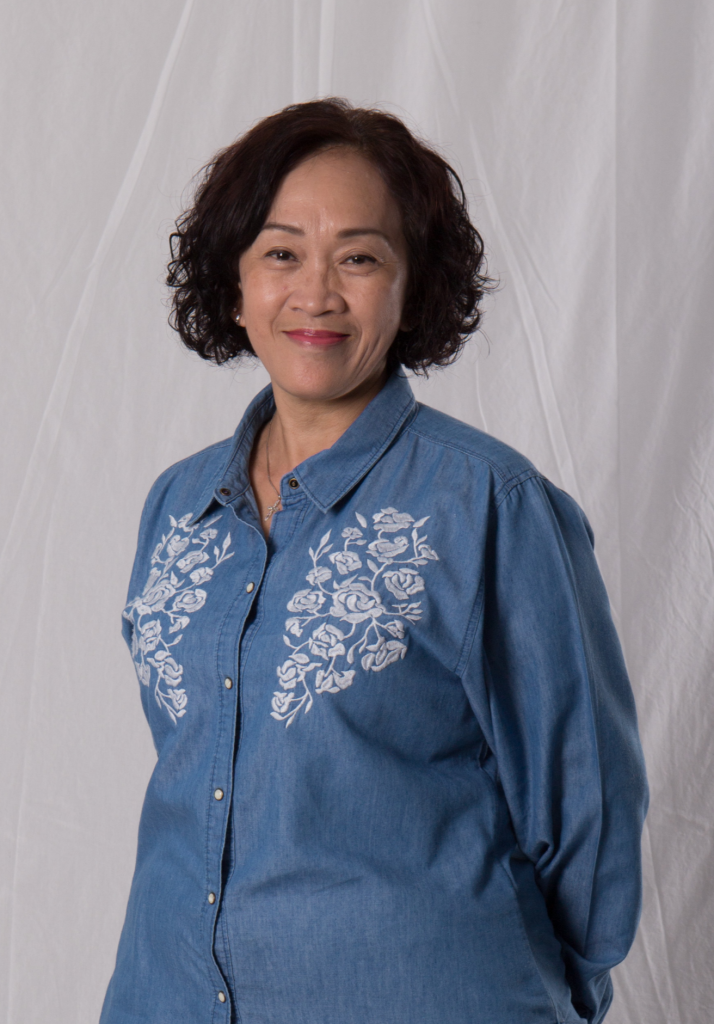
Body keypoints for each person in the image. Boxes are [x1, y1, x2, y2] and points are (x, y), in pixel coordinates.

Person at [100, 99, 648, 1024]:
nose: (315, 294)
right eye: (281, 254)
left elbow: (586, 810)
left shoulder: (490, 506)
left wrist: (553, 992)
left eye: (358, 258)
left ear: (410, 287)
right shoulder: (178, 507)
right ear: (233, 283)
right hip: (167, 998)